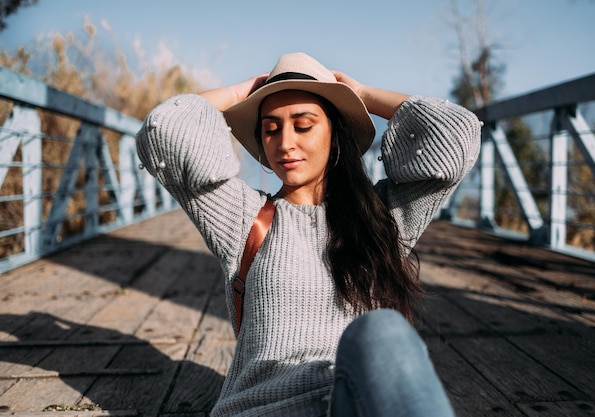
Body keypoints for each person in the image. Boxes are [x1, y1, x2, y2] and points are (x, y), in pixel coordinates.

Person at [136, 52, 481, 417]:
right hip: (264, 409)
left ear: (335, 133)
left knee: (383, 330)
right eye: (270, 128)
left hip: (346, 405)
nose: (284, 143)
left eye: (303, 126)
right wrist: (241, 94)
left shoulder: (383, 219)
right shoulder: (243, 219)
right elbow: (164, 132)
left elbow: (458, 136)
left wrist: (360, 96)